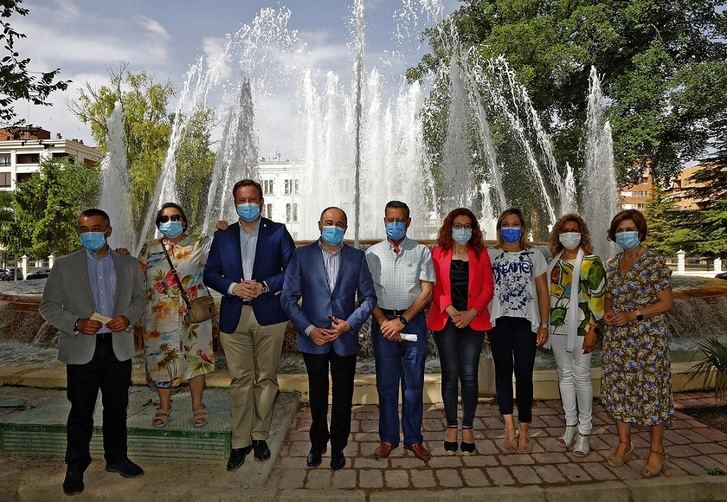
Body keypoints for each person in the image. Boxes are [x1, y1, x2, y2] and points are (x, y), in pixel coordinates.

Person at [39, 208, 147, 496]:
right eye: (83, 230)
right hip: (81, 350)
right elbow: (47, 306)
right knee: (80, 411)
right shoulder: (65, 265)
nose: (89, 234)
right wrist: (74, 322)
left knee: (117, 408)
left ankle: (117, 458)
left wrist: (128, 318)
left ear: (108, 231)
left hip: (117, 348)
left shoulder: (128, 264)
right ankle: (75, 466)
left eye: (95, 228)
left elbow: (140, 298)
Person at [204, 179, 296, 471]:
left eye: (252, 199)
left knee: (266, 378)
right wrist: (232, 287)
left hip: (269, 316)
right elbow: (210, 274)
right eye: (241, 200)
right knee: (240, 380)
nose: (247, 204)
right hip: (234, 315)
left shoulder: (278, 232)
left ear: (261, 201)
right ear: (235, 203)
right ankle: (239, 441)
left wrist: (266, 286)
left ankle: (260, 436)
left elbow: (293, 270)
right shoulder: (224, 236)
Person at [281, 206, 376, 470]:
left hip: (344, 339)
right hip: (314, 339)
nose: (333, 227)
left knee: (343, 396)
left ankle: (338, 447)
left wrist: (349, 324)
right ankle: (317, 443)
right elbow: (288, 298)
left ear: (346, 227)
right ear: (319, 224)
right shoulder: (302, 256)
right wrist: (309, 329)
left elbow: (369, 299)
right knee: (318, 394)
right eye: (329, 222)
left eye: (339, 223)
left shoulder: (357, 258)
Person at [601, 209, 674, 478]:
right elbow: (609, 296)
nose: (624, 234)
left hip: (647, 340)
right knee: (620, 389)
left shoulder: (653, 262)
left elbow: (666, 303)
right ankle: (624, 444)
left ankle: (657, 451)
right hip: (618, 339)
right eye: (619, 230)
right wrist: (608, 313)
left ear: (640, 232)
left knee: (652, 393)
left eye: (629, 229)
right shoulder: (613, 264)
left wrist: (634, 314)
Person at [365, 201, 434, 462]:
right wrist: (384, 321)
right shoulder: (371, 254)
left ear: (408, 221)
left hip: (412, 322)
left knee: (413, 385)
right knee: (386, 384)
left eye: (400, 220)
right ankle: (388, 438)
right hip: (382, 322)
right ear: (384, 220)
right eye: (390, 220)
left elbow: (426, 292)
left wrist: (402, 321)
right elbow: (367, 293)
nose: (395, 224)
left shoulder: (421, 252)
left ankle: (414, 440)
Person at [138, 202, 215, 429]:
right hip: (158, 317)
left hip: (193, 315)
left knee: (196, 359)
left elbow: (223, 256)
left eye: (175, 217)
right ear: (158, 224)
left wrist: (223, 229)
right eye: (164, 219)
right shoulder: (149, 248)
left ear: (184, 220)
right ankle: (163, 406)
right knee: (161, 360)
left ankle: (198, 406)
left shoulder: (200, 244)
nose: (170, 222)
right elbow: (136, 278)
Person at [427, 208, 494, 455]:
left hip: (473, 322)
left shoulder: (481, 254)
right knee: (449, 374)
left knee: (469, 375)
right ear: (449, 226)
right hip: (446, 320)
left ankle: (468, 426)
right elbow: (432, 286)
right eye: (458, 225)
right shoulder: (437, 253)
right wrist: (450, 308)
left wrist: (472, 312)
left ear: (473, 229)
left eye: (467, 225)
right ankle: (451, 426)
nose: (462, 229)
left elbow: (488, 287)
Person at [487, 208, 549, 454]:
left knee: (524, 376)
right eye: (505, 224)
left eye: (515, 224)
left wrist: (544, 324)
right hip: (499, 321)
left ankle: (524, 429)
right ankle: (509, 427)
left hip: (526, 322)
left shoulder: (535, 254)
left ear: (522, 227)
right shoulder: (490, 254)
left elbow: (543, 292)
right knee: (503, 374)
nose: (510, 228)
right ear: (499, 228)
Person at [546, 213, 606, 457]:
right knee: (564, 376)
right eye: (565, 230)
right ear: (558, 235)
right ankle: (570, 425)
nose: (569, 234)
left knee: (581, 377)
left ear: (582, 234)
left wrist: (594, 328)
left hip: (583, 328)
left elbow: (598, 297)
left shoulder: (592, 262)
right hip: (557, 327)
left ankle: (584, 432)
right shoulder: (554, 262)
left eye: (574, 229)